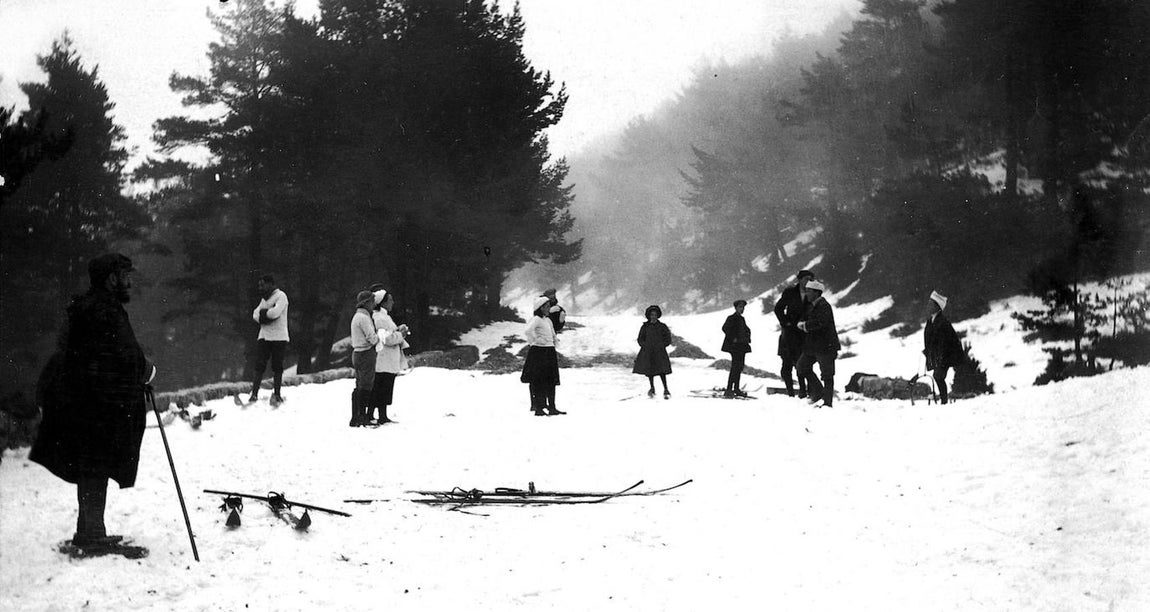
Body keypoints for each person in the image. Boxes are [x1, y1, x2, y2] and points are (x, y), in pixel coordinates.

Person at [30, 253, 157, 554]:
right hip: (96, 405)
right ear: (111, 278)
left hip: (82, 401)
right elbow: (125, 354)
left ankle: (88, 530)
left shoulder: (86, 307)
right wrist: (147, 370)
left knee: (92, 466)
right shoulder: (105, 310)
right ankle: (92, 535)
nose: (129, 281)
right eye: (125, 275)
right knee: (95, 465)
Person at [368, 284, 410, 425]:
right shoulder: (379, 318)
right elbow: (386, 338)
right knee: (381, 388)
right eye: (390, 300)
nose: (393, 302)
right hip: (383, 358)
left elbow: (389, 334)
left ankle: (382, 415)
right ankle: (374, 415)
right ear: (383, 302)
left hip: (387, 359)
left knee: (385, 387)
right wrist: (401, 334)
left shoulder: (384, 317)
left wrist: (397, 331)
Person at [796, 280, 841, 408]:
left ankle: (827, 402)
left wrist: (805, 325)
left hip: (826, 346)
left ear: (817, 292)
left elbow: (821, 323)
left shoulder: (824, 306)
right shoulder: (812, 306)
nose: (807, 293)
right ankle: (819, 391)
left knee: (827, 374)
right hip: (813, 346)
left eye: (809, 291)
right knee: (802, 367)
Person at [247, 274, 289, 406]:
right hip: (264, 336)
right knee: (259, 365)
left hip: (279, 337)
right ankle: (254, 394)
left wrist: (263, 314)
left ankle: (277, 394)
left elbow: (275, 313)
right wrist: (264, 315)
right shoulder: (265, 299)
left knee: (277, 366)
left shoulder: (281, 296)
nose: (260, 288)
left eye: (262, 285)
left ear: (271, 284)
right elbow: (255, 314)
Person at [774, 269, 815, 397]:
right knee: (787, 363)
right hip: (789, 334)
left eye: (810, 279)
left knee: (803, 363)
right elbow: (778, 308)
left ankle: (804, 390)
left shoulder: (813, 294)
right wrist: (785, 323)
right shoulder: (790, 292)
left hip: (804, 333)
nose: (808, 282)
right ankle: (790, 392)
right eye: (806, 279)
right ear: (800, 279)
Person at [521, 295, 564, 416]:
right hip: (539, 352)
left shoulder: (548, 320)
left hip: (549, 351)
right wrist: (536, 340)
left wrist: (554, 341)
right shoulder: (536, 319)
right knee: (539, 380)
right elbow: (528, 331)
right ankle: (539, 408)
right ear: (540, 308)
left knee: (551, 380)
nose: (548, 308)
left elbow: (553, 333)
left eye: (549, 306)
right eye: (546, 306)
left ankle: (552, 407)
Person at [923, 290, 965, 404]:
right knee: (938, 376)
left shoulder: (943, 322)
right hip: (940, 355)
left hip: (947, 355)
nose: (928, 306)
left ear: (937, 307)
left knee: (938, 376)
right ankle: (944, 400)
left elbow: (945, 342)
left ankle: (944, 401)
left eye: (930, 304)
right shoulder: (931, 321)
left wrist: (938, 355)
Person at [349, 291, 379, 427]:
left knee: (359, 384)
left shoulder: (357, 316)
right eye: (372, 302)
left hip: (357, 353)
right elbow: (372, 338)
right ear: (366, 303)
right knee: (366, 385)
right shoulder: (364, 318)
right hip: (366, 353)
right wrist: (381, 336)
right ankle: (362, 416)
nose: (373, 305)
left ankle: (356, 416)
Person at [632, 305, 673, 399]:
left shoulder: (662, 326)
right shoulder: (645, 327)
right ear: (649, 316)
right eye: (652, 315)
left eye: (655, 314)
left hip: (660, 352)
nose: (653, 316)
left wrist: (662, 345)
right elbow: (640, 339)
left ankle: (666, 389)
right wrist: (645, 346)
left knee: (662, 371)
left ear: (658, 315)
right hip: (648, 352)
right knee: (650, 371)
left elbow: (668, 339)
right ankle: (652, 388)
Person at [721, 299, 752, 397]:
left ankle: (736, 388)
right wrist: (733, 338)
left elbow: (746, 330)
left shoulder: (742, 319)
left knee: (739, 367)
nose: (742, 309)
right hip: (734, 347)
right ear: (735, 308)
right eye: (740, 307)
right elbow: (725, 328)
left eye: (743, 307)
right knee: (735, 367)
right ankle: (729, 389)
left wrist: (747, 337)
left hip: (741, 346)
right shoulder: (731, 318)